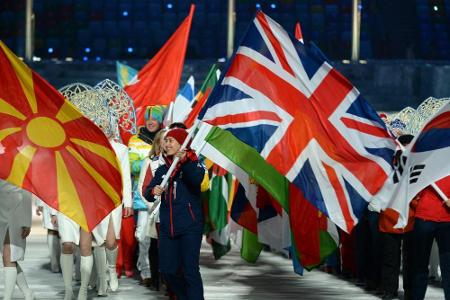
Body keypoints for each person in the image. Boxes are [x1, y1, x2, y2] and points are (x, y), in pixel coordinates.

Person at [145, 128, 205, 300]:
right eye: (166, 140)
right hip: (167, 228)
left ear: (182, 144)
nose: (167, 144)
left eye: (171, 140)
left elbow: (195, 180)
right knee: (168, 271)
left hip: (190, 227)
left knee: (190, 270)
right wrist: (153, 190)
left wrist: (185, 162)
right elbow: (149, 193)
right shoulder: (163, 169)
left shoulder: (194, 164)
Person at [128, 105, 164, 282]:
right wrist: (150, 162)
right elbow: (131, 165)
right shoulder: (135, 140)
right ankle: (145, 271)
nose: (151, 122)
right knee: (143, 237)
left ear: (160, 121)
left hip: (163, 198)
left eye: (155, 119)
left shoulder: (166, 138)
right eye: (148, 119)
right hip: (143, 195)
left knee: (160, 238)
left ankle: (160, 272)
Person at [410, 175, 450, 300]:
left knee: (448, 266)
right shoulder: (426, 159)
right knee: (419, 264)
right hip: (424, 217)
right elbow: (412, 187)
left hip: (446, 220)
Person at [137, 129, 166, 290]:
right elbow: (143, 187)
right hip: (153, 210)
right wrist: (152, 206)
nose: (166, 143)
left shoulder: (176, 162)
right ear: (157, 142)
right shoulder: (150, 162)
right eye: (164, 140)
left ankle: (164, 277)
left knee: (165, 246)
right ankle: (151, 275)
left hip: (169, 211)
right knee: (148, 242)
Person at [0, 180, 35, 300]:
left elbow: (27, 189)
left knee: (8, 255)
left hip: (17, 209)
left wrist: (27, 221)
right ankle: (27, 292)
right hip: (1, 209)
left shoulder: (19, 161)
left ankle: (7, 297)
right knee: (9, 257)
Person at [35, 196, 60, 273]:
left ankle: (57, 262)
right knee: (52, 229)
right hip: (50, 199)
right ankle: (55, 263)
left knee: (57, 231)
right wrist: (39, 202)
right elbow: (43, 185)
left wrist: (39, 203)